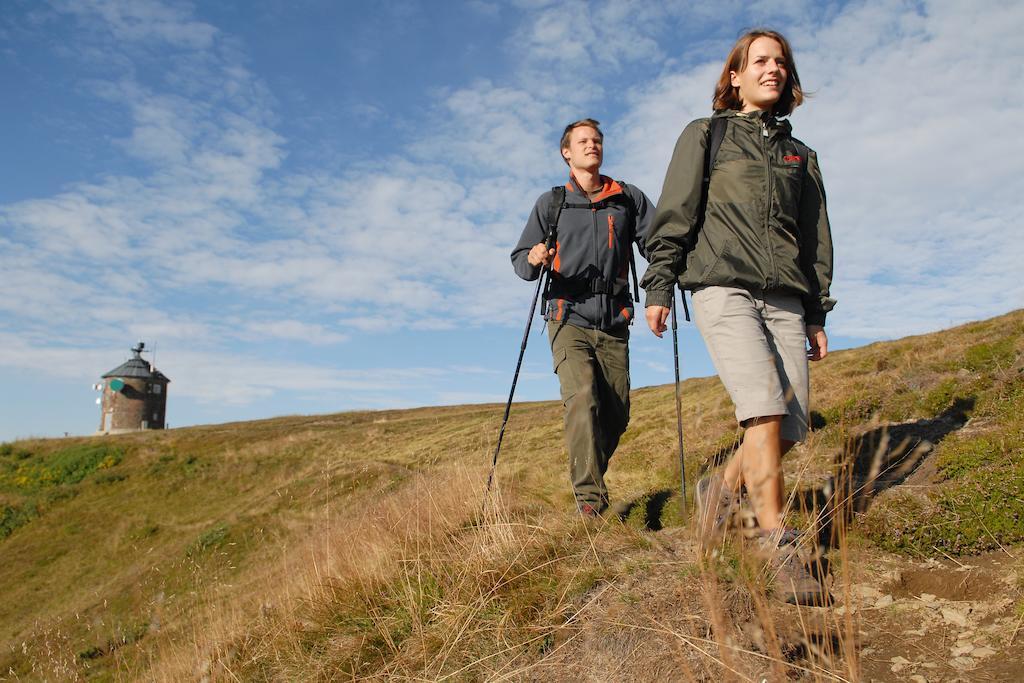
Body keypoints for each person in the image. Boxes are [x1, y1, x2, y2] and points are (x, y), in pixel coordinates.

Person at [641, 30, 835, 604]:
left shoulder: (803, 156)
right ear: (735, 76)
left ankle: (719, 490)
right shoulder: (708, 134)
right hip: (721, 286)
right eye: (760, 61)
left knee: (791, 424)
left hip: (787, 298)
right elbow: (676, 211)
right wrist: (659, 284)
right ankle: (775, 541)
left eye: (781, 62)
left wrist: (816, 311)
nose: (772, 69)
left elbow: (815, 240)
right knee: (764, 407)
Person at [512, 119, 654, 518]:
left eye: (597, 140)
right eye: (583, 141)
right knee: (582, 398)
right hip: (567, 315)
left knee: (617, 411)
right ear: (567, 153)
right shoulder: (552, 203)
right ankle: (590, 503)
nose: (592, 146)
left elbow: (658, 242)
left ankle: (587, 470)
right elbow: (521, 262)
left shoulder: (626, 199)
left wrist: (667, 277)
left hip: (614, 320)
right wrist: (534, 257)